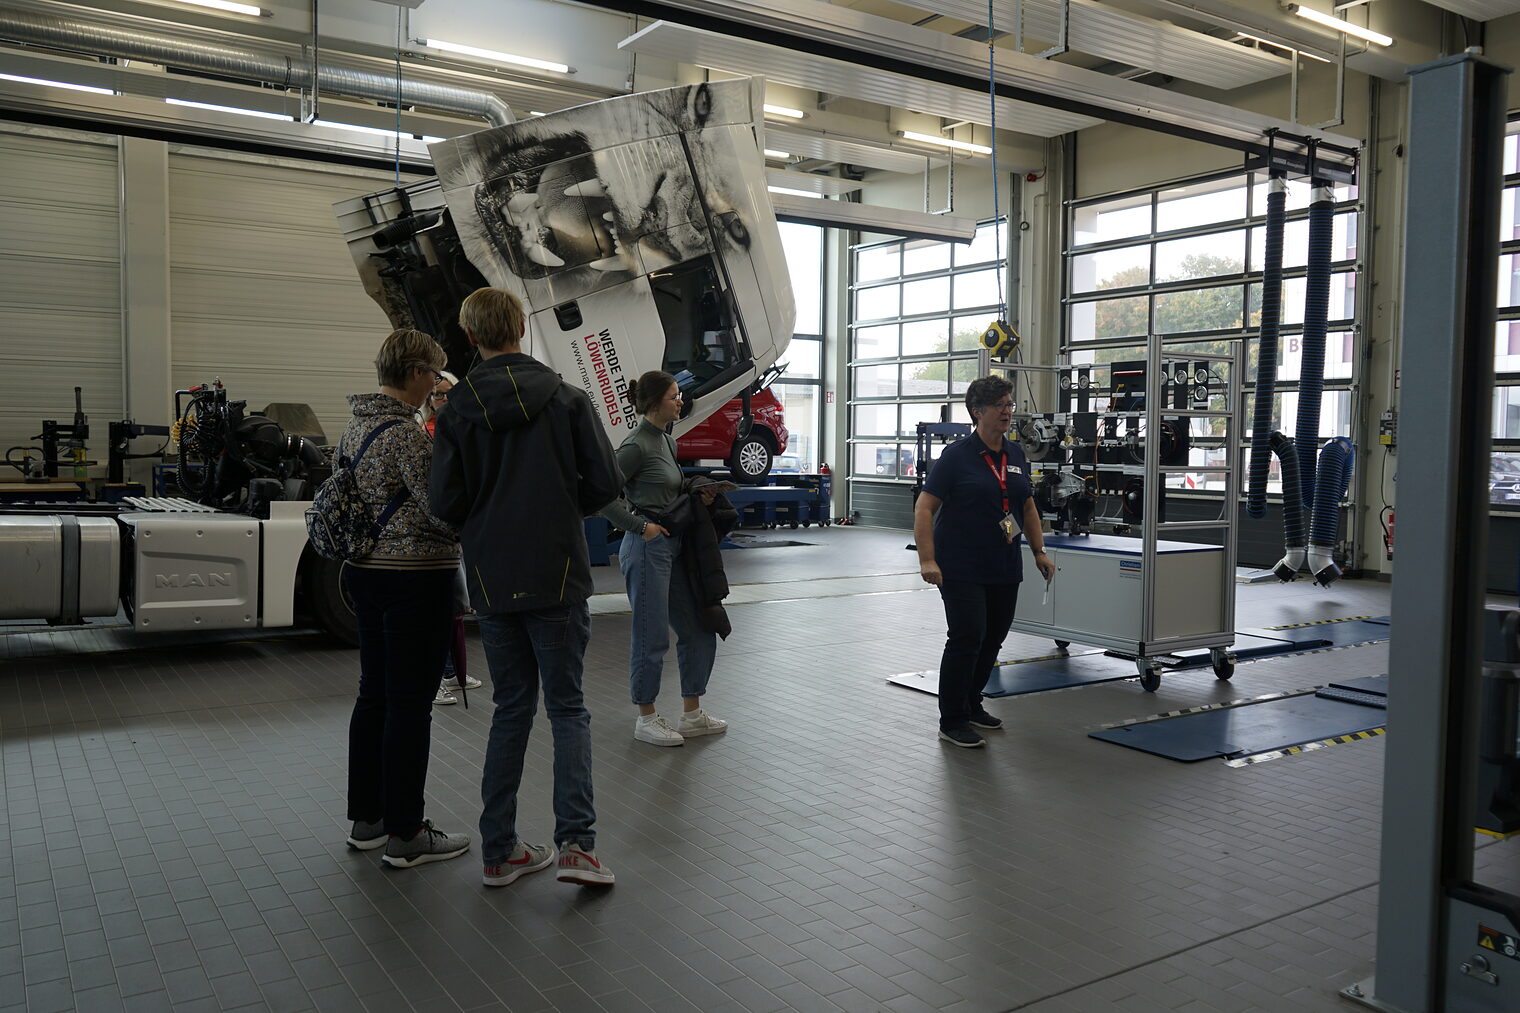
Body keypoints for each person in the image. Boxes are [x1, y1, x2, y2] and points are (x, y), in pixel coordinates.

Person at [430, 287, 623, 888]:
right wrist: (563, 501)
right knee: (568, 708)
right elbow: (605, 483)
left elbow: (444, 502)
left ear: (471, 337)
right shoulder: (567, 399)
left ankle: (499, 852)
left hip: (491, 576)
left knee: (511, 709)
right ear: (521, 326)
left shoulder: (456, 411)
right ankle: (577, 847)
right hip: (558, 573)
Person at [341, 328, 471, 867]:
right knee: (411, 706)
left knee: (374, 696)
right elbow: (442, 508)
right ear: (416, 373)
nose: (437, 384)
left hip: (365, 574)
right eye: (435, 374)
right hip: (414, 580)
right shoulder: (408, 437)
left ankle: (367, 820)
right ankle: (407, 833)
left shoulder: (355, 429)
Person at [913, 375, 1056, 749]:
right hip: (960, 564)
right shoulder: (956, 457)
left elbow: (1025, 504)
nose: (1008, 412)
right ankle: (952, 719)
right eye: (1001, 406)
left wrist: (1038, 551)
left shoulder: (1016, 454)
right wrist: (927, 559)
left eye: (1010, 404)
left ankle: (971, 702)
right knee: (967, 637)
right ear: (978, 412)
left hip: (1003, 563)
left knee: (993, 637)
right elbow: (925, 508)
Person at [600, 371, 728, 747]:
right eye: (674, 396)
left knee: (699, 628)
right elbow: (602, 495)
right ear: (656, 402)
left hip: (673, 545)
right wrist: (640, 527)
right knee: (651, 635)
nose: (680, 401)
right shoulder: (635, 445)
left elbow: (666, 489)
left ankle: (691, 714)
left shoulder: (668, 442)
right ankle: (647, 717)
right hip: (646, 548)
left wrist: (696, 494)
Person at [420, 370, 482, 706]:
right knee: (438, 609)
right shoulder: (426, 433)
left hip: (457, 533)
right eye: (437, 395)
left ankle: (451, 672)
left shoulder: (467, 428)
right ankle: (439, 676)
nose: (443, 400)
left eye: (447, 393)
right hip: (437, 533)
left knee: (456, 608)